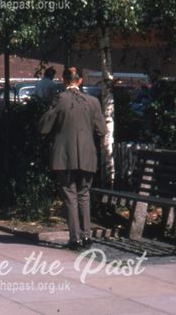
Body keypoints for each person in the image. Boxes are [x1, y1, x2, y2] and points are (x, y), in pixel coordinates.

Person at [40, 66, 108, 250]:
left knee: (70, 196)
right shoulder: (93, 102)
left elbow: (44, 127)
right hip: (87, 155)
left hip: (64, 156)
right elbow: (102, 130)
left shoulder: (59, 99)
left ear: (63, 81)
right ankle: (87, 236)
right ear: (80, 81)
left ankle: (75, 238)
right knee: (84, 195)